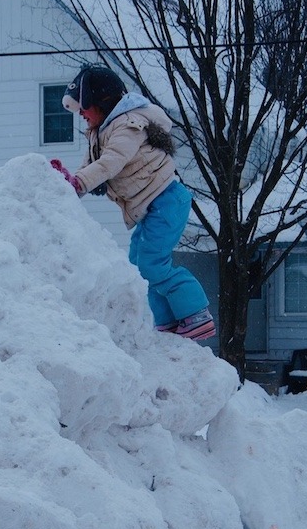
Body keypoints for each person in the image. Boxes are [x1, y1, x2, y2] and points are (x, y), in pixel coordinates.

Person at [50, 64, 216, 341]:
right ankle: (169, 325)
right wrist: (68, 183)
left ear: (102, 102)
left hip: (167, 199)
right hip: (152, 207)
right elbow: (89, 166)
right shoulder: (99, 132)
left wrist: (79, 182)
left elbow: (111, 162)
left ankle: (197, 315)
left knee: (153, 264)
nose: (80, 112)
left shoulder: (127, 125)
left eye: (84, 105)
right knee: (138, 268)